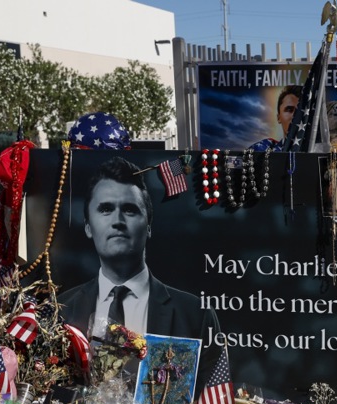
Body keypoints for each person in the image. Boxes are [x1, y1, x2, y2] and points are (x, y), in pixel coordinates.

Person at [58, 156, 222, 384]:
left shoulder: (194, 314)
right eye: (105, 209)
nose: (118, 221)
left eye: (130, 209)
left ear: (149, 226)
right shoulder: (61, 311)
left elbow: (211, 398)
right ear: (88, 226)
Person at [248, 85, 301, 151]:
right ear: (279, 118)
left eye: (300, 111)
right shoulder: (262, 150)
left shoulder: (317, 150)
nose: (295, 116)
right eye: (289, 110)